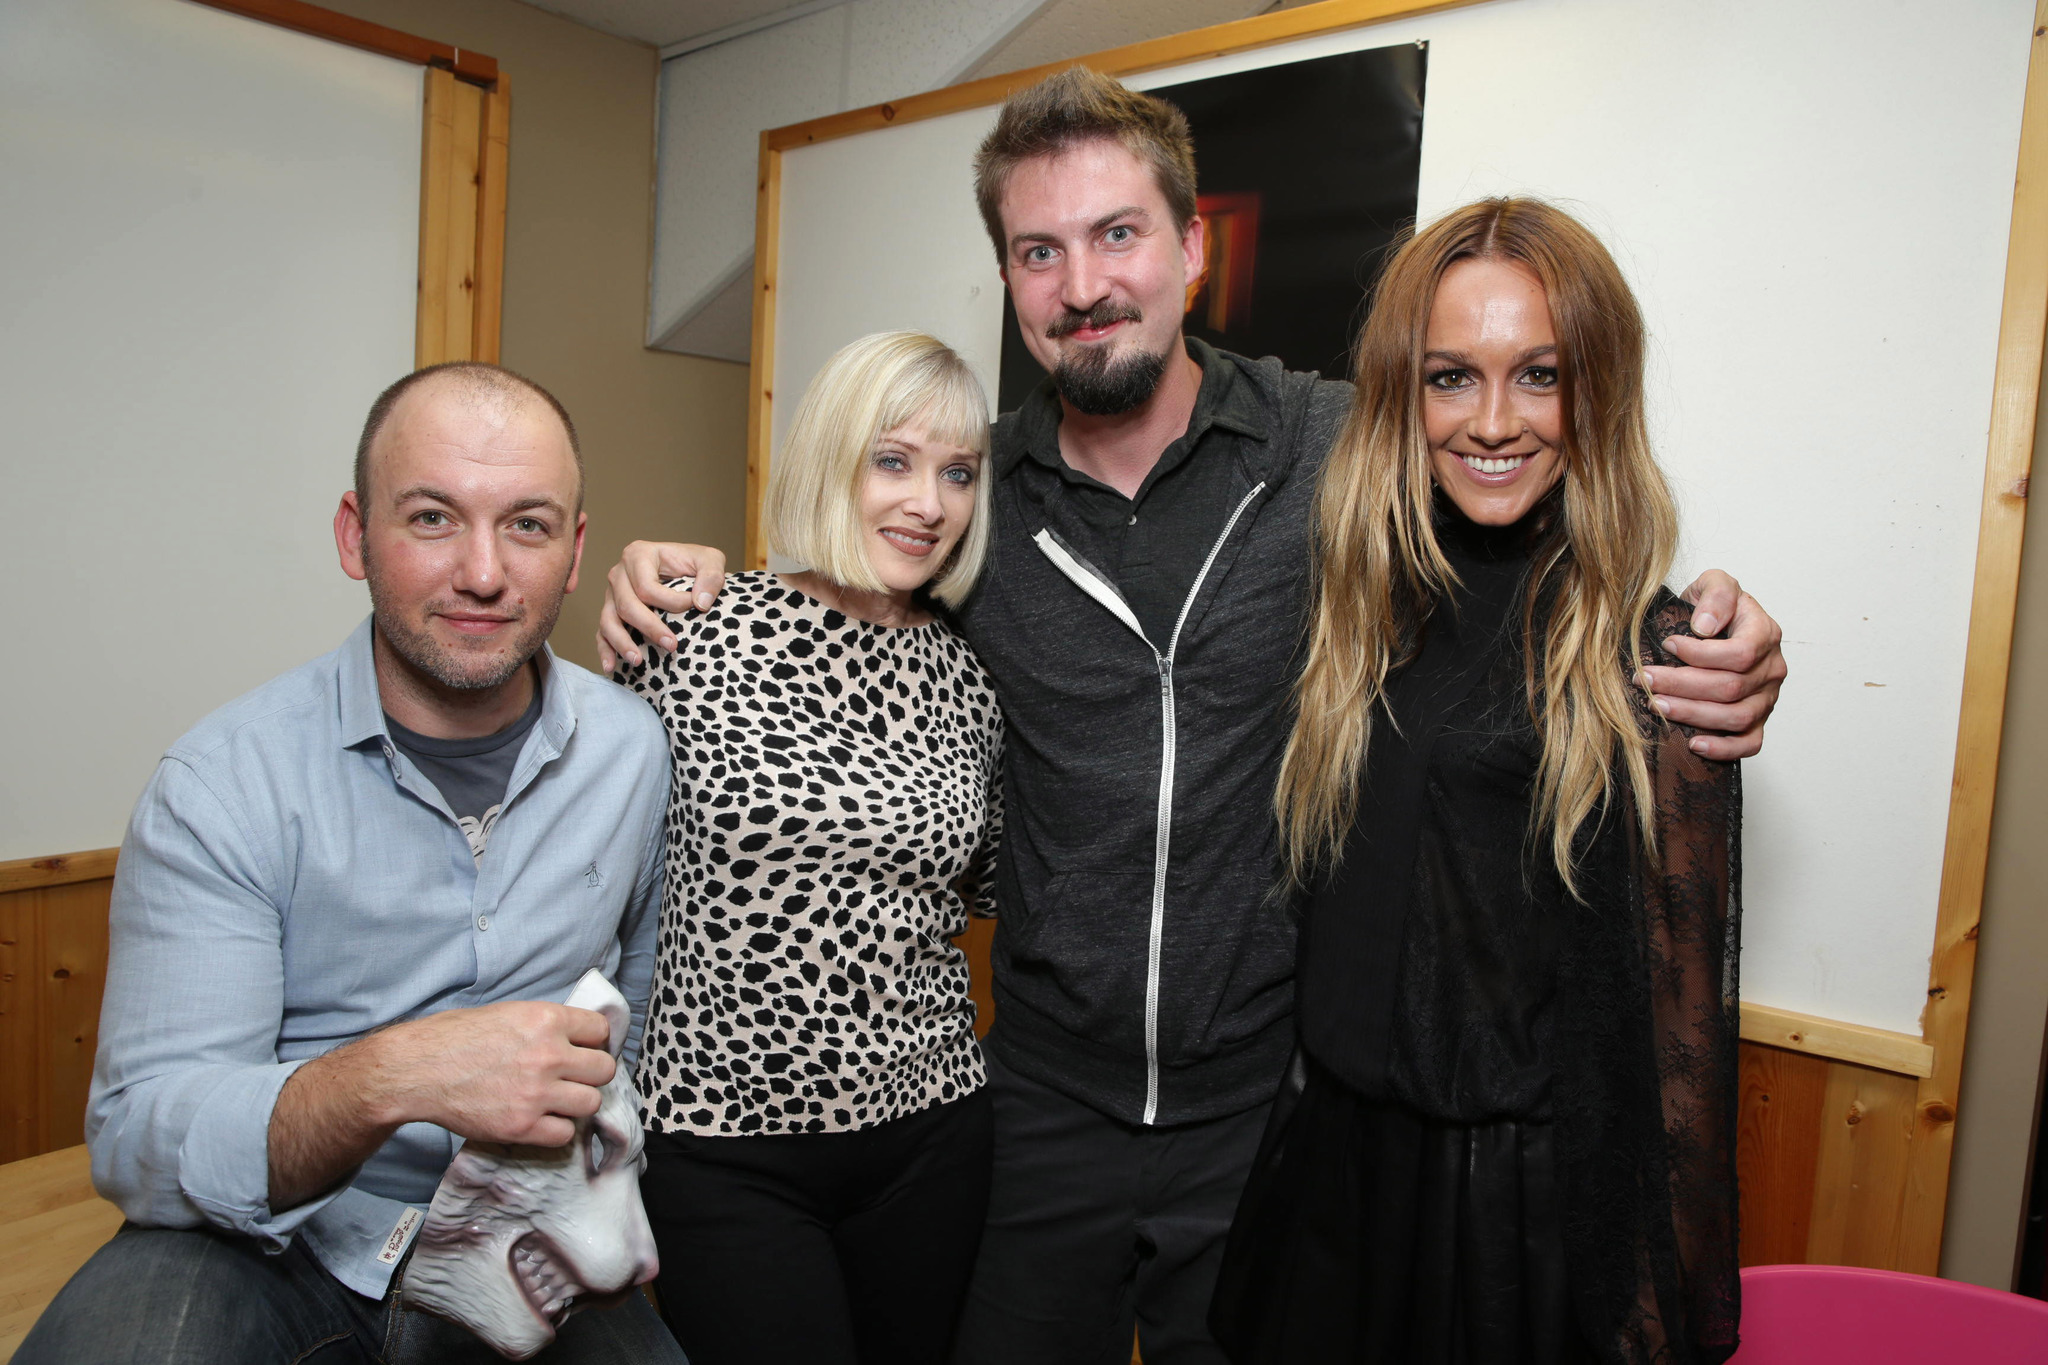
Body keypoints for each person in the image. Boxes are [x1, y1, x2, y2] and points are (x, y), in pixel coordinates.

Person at [596, 68, 1784, 1364]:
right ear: (1009, 278)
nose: (1083, 282)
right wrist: (677, 587)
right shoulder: (973, 495)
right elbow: (832, 608)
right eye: (1038, 251)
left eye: (1117, 234)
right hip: (1039, 1106)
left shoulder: (1335, 448)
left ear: (1193, 248)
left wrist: (1715, 635)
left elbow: (1533, 530)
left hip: (1263, 1111)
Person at [17, 364, 684, 1365]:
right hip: (271, 1240)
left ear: (576, 549)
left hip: (523, 1232)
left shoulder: (633, 752)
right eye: (430, 518)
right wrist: (391, 1076)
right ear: (352, 535)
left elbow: (633, 1036)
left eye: (527, 525)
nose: (483, 572)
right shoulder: (223, 783)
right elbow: (142, 1136)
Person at [1210, 198, 1740, 1364]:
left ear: (1593, 391)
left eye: (1538, 375)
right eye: (1451, 377)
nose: (1492, 421)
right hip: (1324, 1172)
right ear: (1404, 397)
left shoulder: (1651, 661)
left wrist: (1664, 1310)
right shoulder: (1359, 611)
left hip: (1508, 1226)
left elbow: (1679, 1034)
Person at [616, 331, 1002, 1365]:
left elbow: (990, 884)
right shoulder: (691, 631)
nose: (928, 501)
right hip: (721, 1144)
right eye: (893, 459)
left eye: (956, 472)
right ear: (831, 459)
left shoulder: (968, 678)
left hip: (931, 1131)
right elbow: (580, 859)